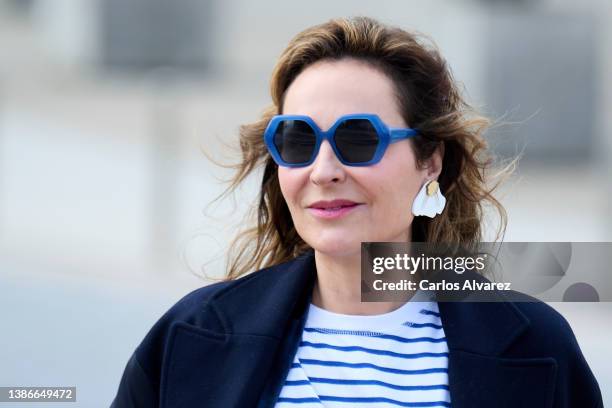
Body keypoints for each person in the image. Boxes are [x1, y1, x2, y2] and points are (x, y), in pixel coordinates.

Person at [111, 17, 603, 408]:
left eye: (358, 139)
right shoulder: (192, 335)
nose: (323, 170)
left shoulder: (536, 344)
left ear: (430, 159)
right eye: (299, 140)